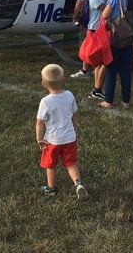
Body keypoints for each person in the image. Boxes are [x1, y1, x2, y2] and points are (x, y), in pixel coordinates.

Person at [35, 64, 89, 200]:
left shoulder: (45, 101)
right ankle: (78, 184)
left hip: (52, 140)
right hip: (70, 138)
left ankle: (51, 188)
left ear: (43, 84)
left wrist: (39, 138)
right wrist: (74, 130)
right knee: (71, 163)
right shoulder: (69, 95)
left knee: (51, 165)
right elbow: (74, 115)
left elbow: (40, 122)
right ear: (64, 79)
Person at [71, 0, 104, 78]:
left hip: (89, 21)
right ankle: (96, 67)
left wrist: (75, 15)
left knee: (85, 44)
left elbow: (79, 2)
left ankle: (86, 68)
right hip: (100, 23)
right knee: (98, 46)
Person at [85, 0, 108, 101]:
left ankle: (97, 89)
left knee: (99, 62)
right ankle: (97, 89)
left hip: (96, 30)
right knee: (104, 61)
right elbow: (107, 10)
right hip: (96, 31)